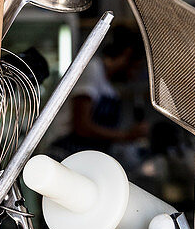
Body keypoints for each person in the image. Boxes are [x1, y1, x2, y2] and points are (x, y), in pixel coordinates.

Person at [58, 23, 149, 167]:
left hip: (85, 158)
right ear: (127, 54)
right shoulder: (93, 69)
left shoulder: (110, 88)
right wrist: (126, 136)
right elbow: (81, 126)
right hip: (65, 155)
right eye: (136, 67)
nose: (134, 75)